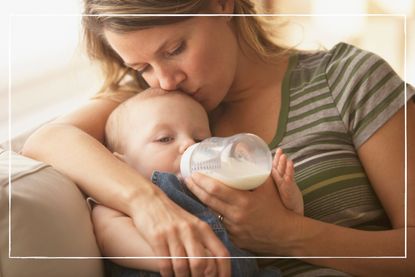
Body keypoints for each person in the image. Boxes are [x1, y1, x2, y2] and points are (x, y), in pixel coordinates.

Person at [21, 0, 415, 276]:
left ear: (222, 4)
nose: (164, 80)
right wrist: (148, 205)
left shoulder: (348, 80)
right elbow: (49, 139)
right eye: (141, 67)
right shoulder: (151, 109)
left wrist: (288, 235)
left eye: (175, 49)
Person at [94, 87, 303, 276]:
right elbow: (108, 235)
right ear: (122, 164)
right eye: (165, 139)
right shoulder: (128, 197)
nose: (188, 145)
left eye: (200, 140)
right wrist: (178, 258)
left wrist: (289, 205)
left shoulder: (219, 193)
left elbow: (264, 247)